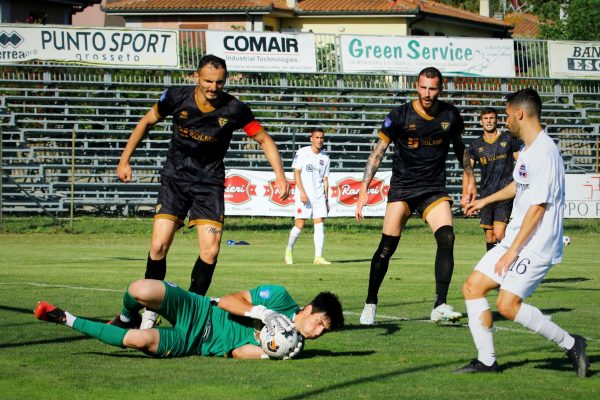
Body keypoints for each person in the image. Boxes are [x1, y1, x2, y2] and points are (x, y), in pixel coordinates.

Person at [115, 55, 289, 328]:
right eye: (208, 80)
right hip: (175, 178)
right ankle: (149, 310)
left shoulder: (235, 109)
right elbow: (145, 122)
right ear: (196, 77)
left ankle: (190, 313)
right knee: (159, 245)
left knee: (210, 252)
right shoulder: (175, 97)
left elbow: (264, 139)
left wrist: (280, 176)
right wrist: (125, 160)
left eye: (219, 81)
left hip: (209, 184)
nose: (213, 86)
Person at [455, 88, 589, 377]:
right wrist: (484, 200)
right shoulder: (528, 149)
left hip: (536, 243)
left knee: (507, 304)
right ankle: (487, 361)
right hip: (517, 238)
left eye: (506, 115)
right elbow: (519, 186)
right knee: (472, 287)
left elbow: (538, 207)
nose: (505, 121)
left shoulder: (546, 152)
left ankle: (571, 343)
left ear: (519, 114)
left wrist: (512, 251)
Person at [355, 66, 476, 325]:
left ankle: (440, 304)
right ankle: (370, 302)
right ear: (416, 86)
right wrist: (364, 188)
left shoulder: (450, 115)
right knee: (386, 247)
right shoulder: (400, 115)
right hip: (403, 189)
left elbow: (460, 149)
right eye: (423, 87)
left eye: (432, 88)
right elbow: (378, 152)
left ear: (440, 89)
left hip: (433, 189)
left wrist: (470, 178)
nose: (427, 93)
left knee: (447, 236)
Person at [34, 279, 344, 359]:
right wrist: (262, 314)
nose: (316, 333)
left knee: (138, 341)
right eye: (319, 323)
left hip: (195, 343)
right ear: (307, 308)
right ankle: (126, 316)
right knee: (139, 289)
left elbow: (236, 352)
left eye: (323, 332)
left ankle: (64, 318)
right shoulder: (277, 297)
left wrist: (269, 351)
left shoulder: (290, 347)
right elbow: (226, 301)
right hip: (199, 309)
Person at [463, 107, 520, 251]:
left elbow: (521, 163)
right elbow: (467, 169)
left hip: (505, 193)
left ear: (497, 120)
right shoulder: (475, 145)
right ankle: (492, 269)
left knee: (500, 232)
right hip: (486, 194)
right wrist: (466, 193)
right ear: (481, 122)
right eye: (486, 119)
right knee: (490, 236)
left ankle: (515, 261)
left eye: (492, 118)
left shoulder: (508, 139)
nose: (489, 121)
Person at [285, 128, 331, 265]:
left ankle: (318, 257)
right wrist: (302, 192)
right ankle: (289, 249)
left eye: (322, 138)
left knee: (319, 224)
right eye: (317, 137)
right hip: (304, 195)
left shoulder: (325, 158)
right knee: (300, 224)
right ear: (311, 139)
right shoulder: (302, 153)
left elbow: (326, 180)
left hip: (319, 196)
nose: (319, 140)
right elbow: (296, 174)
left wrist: (327, 199)